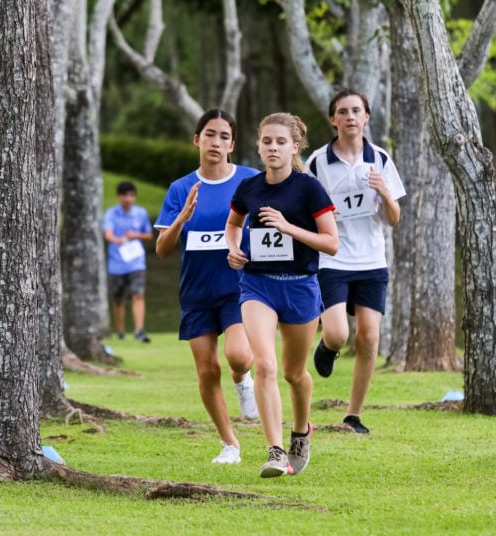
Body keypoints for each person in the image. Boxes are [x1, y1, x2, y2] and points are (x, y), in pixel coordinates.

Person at [226, 112, 338, 478]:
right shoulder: (249, 187)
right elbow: (233, 224)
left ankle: (302, 431)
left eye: (280, 142)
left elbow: (331, 244)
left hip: (301, 286)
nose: (272, 148)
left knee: (294, 373)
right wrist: (234, 248)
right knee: (266, 365)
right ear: (258, 145)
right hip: (258, 284)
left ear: (294, 147)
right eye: (266, 141)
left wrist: (288, 227)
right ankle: (275, 452)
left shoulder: (310, 189)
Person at [154, 109, 261, 465]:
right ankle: (230, 444)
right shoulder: (180, 188)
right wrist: (181, 219)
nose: (216, 142)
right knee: (206, 370)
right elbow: (162, 249)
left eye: (224, 137)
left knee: (238, 356)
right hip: (197, 293)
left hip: (239, 287)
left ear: (232, 145)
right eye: (210, 134)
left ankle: (243, 380)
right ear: (197, 140)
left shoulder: (249, 181)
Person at [306, 89, 406, 435]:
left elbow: (394, 218)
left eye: (356, 111)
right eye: (343, 112)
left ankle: (353, 415)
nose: (350, 117)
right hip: (332, 258)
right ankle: (328, 346)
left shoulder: (379, 159)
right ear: (333, 120)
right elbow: (304, 210)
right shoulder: (317, 162)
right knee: (338, 334)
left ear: (366, 118)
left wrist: (385, 193)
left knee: (369, 337)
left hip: (371, 260)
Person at [103, 180, 154, 342]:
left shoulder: (140, 213)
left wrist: (135, 236)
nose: (128, 199)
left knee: (138, 293)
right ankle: (120, 331)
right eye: (125, 195)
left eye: (131, 195)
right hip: (117, 262)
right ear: (119, 197)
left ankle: (139, 330)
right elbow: (107, 233)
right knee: (118, 298)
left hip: (136, 261)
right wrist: (117, 240)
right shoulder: (111, 213)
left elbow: (149, 234)